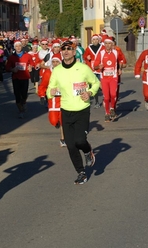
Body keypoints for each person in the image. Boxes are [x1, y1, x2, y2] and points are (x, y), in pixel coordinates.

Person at [46, 40, 100, 185]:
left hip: (82, 109)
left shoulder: (83, 68)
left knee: (80, 141)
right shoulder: (57, 71)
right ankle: (81, 172)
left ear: (74, 52)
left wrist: (90, 92)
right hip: (66, 110)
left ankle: (88, 151)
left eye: (69, 49)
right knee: (70, 145)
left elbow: (96, 83)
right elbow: (49, 89)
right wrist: (50, 93)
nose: (66, 51)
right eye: (64, 49)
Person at [93, 36, 126, 122]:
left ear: (112, 44)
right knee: (106, 97)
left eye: (109, 43)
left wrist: (120, 68)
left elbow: (122, 60)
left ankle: (112, 109)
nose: (108, 45)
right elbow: (95, 66)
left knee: (113, 95)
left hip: (113, 77)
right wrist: (98, 67)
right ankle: (107, 113)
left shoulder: (116, 52)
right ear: (104, 44)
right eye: (106, 43)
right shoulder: (101, 53)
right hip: (104, 78)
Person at [38, 53, 66, 147]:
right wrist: (42, 95)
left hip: (64, 100)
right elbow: (43, 85)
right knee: (53, 121)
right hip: (53, 100)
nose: (55, 63)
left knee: (63, 120)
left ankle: (63, 138)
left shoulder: (66, 71)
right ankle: (57, 123)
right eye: (53, 61)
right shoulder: (48, 72)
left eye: (57, 62)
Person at [5, 39, 34, 119]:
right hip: (16, 78)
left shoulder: (27, 55)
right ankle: (21, 111)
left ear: (22, 46)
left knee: (24, 94)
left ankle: (24, 102)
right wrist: (12, 69)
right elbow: (7, 68)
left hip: (25, 77)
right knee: (17, 95)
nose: (18, 47)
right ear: (14, 47)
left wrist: (30, 67)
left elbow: (32, 64)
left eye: (19, 46)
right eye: (16, 46)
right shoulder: (11, 57)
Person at [83, 34, 104, 108]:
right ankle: (97, 102)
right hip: (92, 69)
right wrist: (86, 57)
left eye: (96, 39)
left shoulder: (102, 47)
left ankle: (106, 98)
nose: (95, 41)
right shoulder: (89, 48)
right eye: (94, 40)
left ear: (99, 40)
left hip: (100, 68)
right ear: (92, 41)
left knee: (102, 84)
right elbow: (84, 56)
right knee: (94, 86)